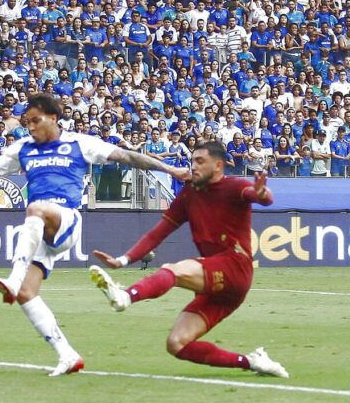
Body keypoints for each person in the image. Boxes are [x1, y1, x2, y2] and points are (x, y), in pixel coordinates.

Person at [0, 93, 187, 377]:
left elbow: (127, 156)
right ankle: (67, 355)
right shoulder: (23, 148)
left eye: (35, 120)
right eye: (26, 122)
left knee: (36, 207)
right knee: (27, 294)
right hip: (42, 231)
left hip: (66, 218)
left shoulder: (80, 143)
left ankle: (13, 278)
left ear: (53, 117)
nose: (29, 127)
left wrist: (170, 169)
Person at [89, 140, 288, 378]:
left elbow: (261, 197)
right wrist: (122, 260)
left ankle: (125, 296)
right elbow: (158, 233)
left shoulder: (234, 186)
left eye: (200, 161)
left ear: (218, 165)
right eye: (193, 161)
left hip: (235, 267)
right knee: (177, 344)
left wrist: (262, 193)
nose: (194, 166)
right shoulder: (189, 194)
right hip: (220, 285)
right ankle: (252, 361)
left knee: (174, 270)